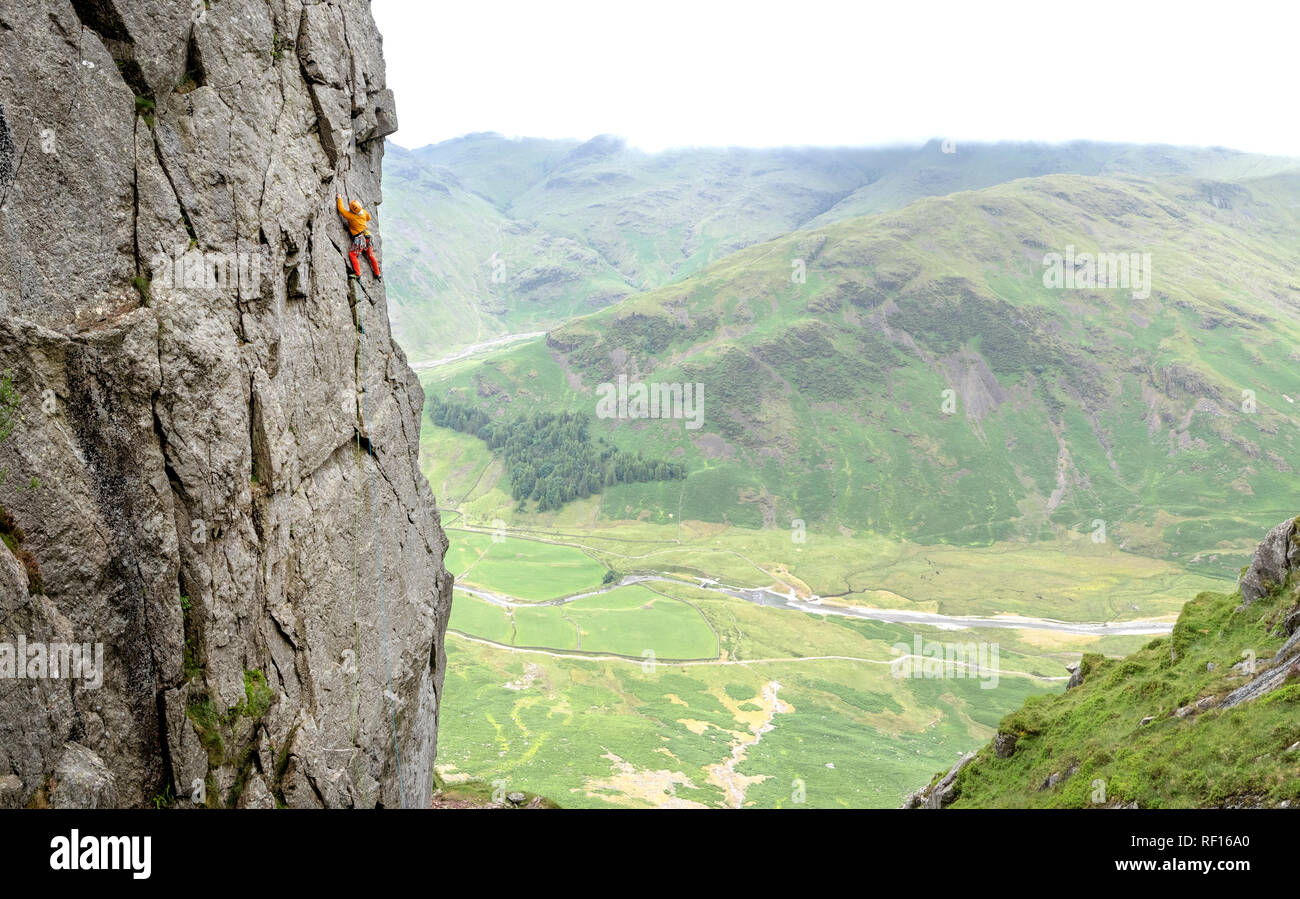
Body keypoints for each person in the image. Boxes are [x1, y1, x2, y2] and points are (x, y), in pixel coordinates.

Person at [336, 195, 382, 281]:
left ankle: (357, 274)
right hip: (368, 236)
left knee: (352, 254)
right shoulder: (363, 212)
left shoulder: (351, 216)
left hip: (360, 239)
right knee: (370, 255)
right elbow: (368, 217)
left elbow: (341, 210)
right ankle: (377, 273)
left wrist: (339, 198)